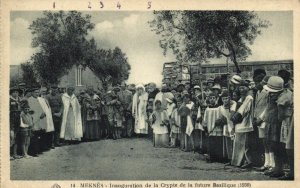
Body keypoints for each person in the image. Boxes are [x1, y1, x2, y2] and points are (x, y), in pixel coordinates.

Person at [262, 76, 286, 177]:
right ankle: (276, 167)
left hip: (276, 124)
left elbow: (280, 115)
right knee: (272, 145)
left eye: (272, 92)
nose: (270, 93)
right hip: (270, 123)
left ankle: (279, 169)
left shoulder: (281, 98)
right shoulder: (271, 96)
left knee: (277, 147)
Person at [231, 80, 254, 168]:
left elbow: (244, 110)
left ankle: (247, 161)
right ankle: (237, 161)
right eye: (240, 87)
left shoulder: (249, 97)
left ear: (247, 87)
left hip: (246, 122)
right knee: (239, 142)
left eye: (243, 87)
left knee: (245, 143)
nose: (241, 89)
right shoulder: (241, 98)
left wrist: (236, 116)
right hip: (239, 122)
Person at [252, 76, 273, 171]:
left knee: (268, 142)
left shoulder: (267, 92)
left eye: (260, 82)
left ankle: (271, 163)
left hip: (264, 119)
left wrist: (261, 118)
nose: (258, 84)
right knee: (264, 142)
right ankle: (266, 163)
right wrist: (255, 117)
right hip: (259, 120)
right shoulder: (257, 92)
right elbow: (256, 107)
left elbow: (267, 107)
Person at [202, 92, 223, 162]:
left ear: (217, 99)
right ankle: (212, 157)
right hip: (210, 128)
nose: (212, 100)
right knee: (211, 143)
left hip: (218, 128)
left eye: (214, 98)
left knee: (218, 142)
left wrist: (220, 122)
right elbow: (205, 119)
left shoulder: (220, 108)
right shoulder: (207, 109)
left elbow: (222, 117)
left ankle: (219, 158)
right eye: (210, 98)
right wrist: (205, 128)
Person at [218, 90, 236, 163]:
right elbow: (221, 117)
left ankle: (234, 158)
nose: (225, 100)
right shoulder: (221, 107)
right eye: (223, 99)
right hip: (226, 125)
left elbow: (232, 115)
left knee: (233, 141)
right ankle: (229, 158)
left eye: (226, 98)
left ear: (229, 98)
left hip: (233, 125)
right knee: (227, 141)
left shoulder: (234, 104)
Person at [10, 86, 22, 159]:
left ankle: (15, 154)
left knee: (16, 137)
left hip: (17, 120)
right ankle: (9, 154)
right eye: (14, 92)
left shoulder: (19, 100)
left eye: (17, 92)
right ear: (11, 93)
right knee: (11, 136)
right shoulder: (9, 100)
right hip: (11, 120)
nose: (16, 93)